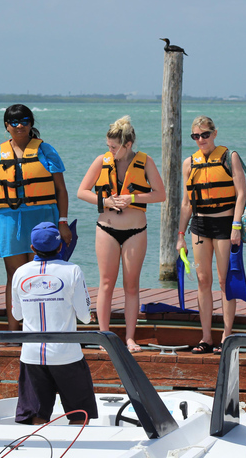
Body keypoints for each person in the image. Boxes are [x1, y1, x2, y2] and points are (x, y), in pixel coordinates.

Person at [0, 104, 72, 345]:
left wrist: (63, 222)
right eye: (14, 122)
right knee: (14, 275)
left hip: (41, 219)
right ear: (6, 126)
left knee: (41, 273)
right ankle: (13, 332)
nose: (20, 126)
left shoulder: (46, 150)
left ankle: (40, 330)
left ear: (31, 123)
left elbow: (61, 189)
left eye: (25, 120)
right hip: (8, 221)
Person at [77, 116, 165, 353]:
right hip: (106, 228)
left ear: (127, 145)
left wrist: (132, 198)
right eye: (108, 146)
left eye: (114, 147)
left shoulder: (145, 162)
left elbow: (160, 194)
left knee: (131, 286)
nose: (110, 150)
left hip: (136, 231)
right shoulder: (101, 161)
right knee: (106, 282)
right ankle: (104, 335)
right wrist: (105, 200)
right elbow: (81, 191)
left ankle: (129, 338)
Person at [12, 222, 97, 425]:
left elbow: (17, 315)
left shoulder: (20, 273)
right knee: (79, 415)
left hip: (32, 354)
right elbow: (85, 316)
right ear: (60, 247)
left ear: (32, 249)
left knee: (37, 416)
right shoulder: (73, 270)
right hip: (66, 354)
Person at [176, 116, 246, 354]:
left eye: (205, 135)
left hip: (225, 225)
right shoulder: (189, 163)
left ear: (215, 133)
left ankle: (227, 335)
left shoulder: (229, 157)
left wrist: (236, 225)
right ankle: (206, 337)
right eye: (196, 136)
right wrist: (180, 234)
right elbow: (186, 203)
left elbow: (241, 194)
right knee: (202, 280)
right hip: (199, 226)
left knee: (224, 280)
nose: (201, 140)